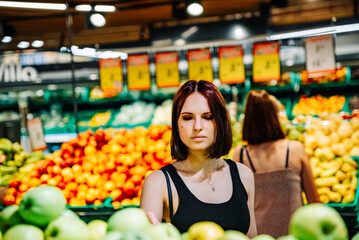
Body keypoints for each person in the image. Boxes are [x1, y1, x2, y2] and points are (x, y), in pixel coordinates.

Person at [140, 80, 257, 237]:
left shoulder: (244, 176)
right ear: (176, 124)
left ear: (221, 122)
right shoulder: (158, 183)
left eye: (208, 117)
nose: (197, 126)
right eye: (187, 118)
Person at [232, 90, 320, 238]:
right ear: (274, 117)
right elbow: (315, 203)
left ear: (248, 120)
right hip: (296, 235)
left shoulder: (239, 154)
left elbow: (235, 211)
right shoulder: (295, 149)